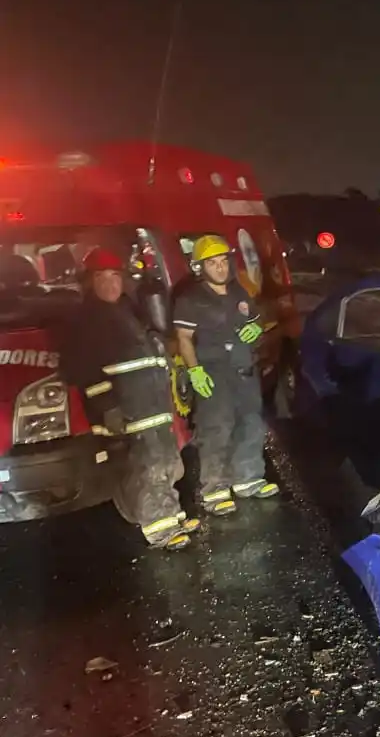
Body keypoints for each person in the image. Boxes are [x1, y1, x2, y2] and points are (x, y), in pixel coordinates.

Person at [60, 247, 198, 550]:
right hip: (128, 409)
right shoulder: (84, 321)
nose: (110, 284)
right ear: (88, 282)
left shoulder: (130, 310)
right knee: (146, 466)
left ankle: (171, 515)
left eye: (115, 277)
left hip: (153, 404)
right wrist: (108, 407)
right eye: (101, 277)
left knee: (165, 461)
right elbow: (80, 372)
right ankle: (159, 528)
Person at [172, 235, 279, 516]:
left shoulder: (238, 291)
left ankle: (248, 478)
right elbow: (183, 338)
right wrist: (194, 370)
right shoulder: (190, 299)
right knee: (216, 430)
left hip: (244, 370)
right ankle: (215, 491)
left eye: (223, 262)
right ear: (199, 267)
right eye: (212, 263)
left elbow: (256, 319)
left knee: (251, 424)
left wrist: (257, 329)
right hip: (213, 372)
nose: (220, 268)